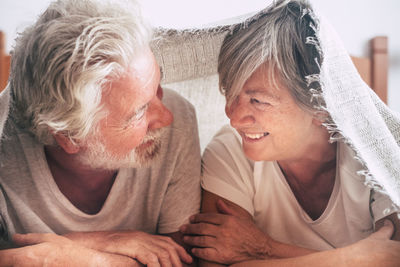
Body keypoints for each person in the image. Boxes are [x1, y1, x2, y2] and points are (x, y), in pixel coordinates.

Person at [178, 0, 400, 266]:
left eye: (258, 101)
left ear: (321, 106)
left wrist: (264, 249)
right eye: (230, 93)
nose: (234, 119)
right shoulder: (229, 151)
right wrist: (355, 259)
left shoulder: (378, 157)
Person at [0, 0, 201, 265]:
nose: (166, 117)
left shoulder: (178, 122)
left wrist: (71, 250)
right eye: (139, 112)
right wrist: (105, 248)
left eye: (158, 85)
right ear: (70, 137)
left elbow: (180, 261)